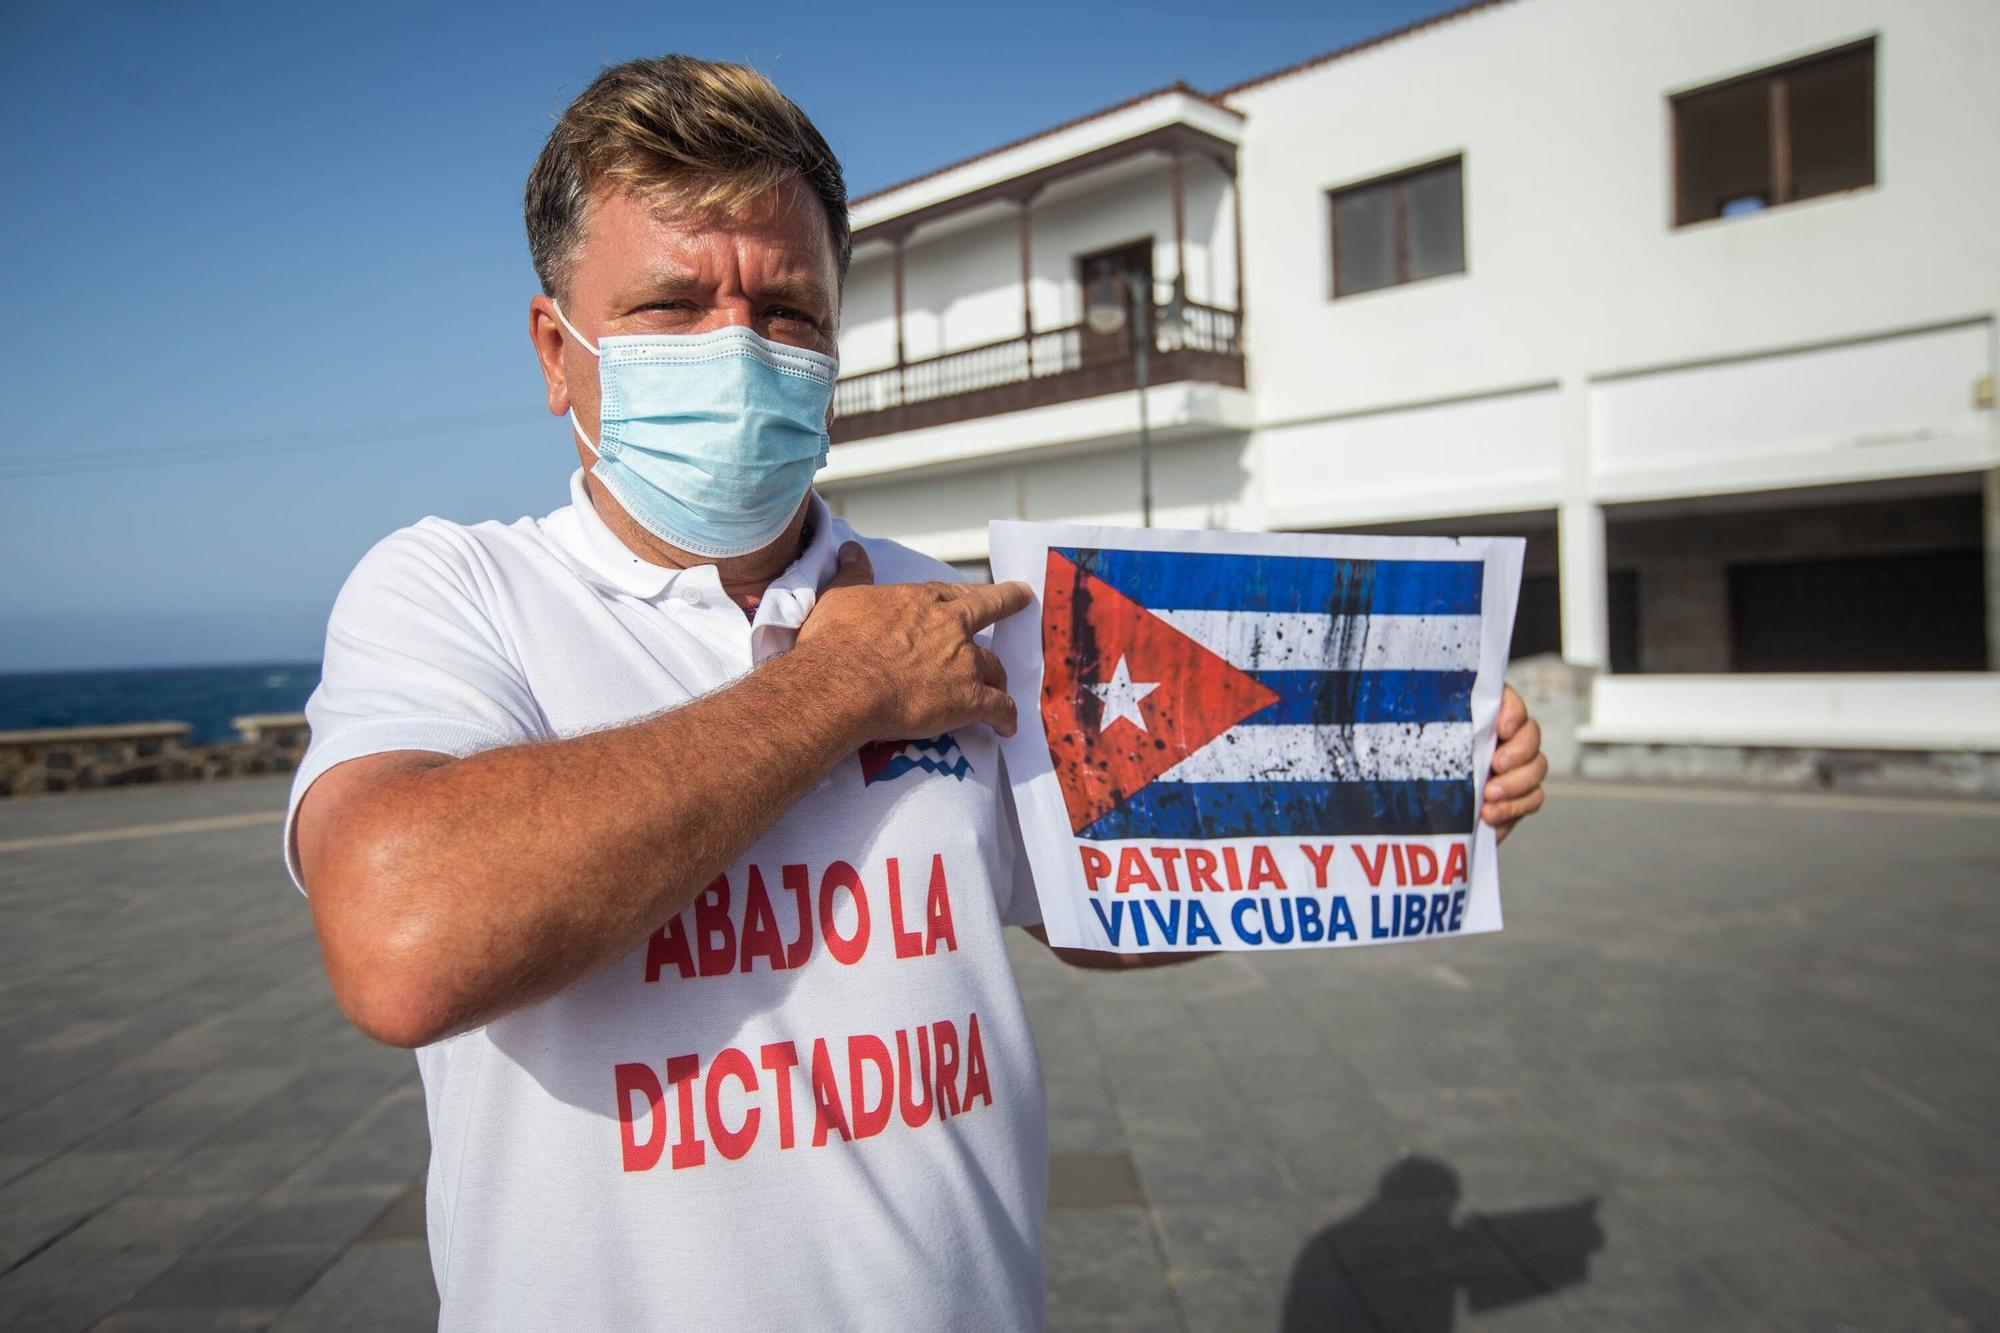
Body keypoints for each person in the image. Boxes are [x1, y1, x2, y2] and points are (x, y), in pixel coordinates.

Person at [285, 54, 1549, 1330]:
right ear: (558, 352)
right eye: (673, 306)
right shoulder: (457, 590)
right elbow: (405, 946)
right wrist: (835, 690)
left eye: (788, 313)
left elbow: (1087, 898)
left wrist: (1400, 800)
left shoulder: (953, 613)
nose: (739, 351)